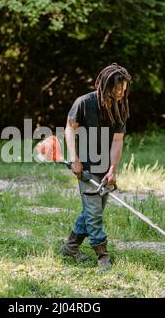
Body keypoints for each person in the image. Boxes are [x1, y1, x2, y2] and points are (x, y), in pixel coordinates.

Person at [62, 63, 132, 270]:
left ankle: (70, 247)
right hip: (86, 168)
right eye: (118, 88)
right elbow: (69, 129)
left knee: (91, 211)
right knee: (94, 215)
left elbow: (117, 140)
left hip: (104, 169)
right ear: (105, 85)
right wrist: (75, 159)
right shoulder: (84, 103)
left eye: (124, 88)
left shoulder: (121, 106)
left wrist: (113, 169)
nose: (121, 92)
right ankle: (102, 256)